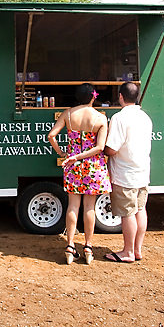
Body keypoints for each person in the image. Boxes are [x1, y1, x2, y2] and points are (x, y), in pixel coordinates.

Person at [47, 83, 112, 265]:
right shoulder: (100, 118)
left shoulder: (68, 114)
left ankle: (69, 246)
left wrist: (64, 154)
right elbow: (100, 147)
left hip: (72, 166)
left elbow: (51, 135)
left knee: (72, 206)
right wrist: (80, 157)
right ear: (93, 97)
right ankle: (88, 247)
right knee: (90, 207)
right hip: (93, 167)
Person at [103, 81, 152, 263]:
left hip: (125, 173)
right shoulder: (145, 117)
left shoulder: (119, 118)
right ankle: (137, 249)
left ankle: (127, 252)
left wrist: (103, 149)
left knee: (127, 213)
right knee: (141, 210)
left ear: (121, 97)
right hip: (142, 171)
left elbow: (112, 149)